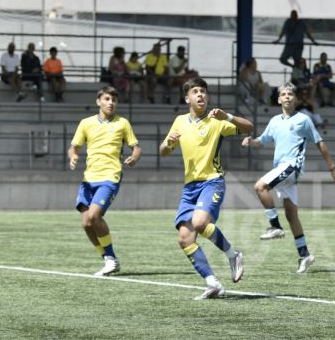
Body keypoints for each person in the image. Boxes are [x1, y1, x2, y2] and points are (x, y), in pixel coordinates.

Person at [159, 77, 252, 299]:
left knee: (200, 223)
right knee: (184, 238)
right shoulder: (180, 121)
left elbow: (249, 127)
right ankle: (213, 282)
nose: (200, 95)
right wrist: (169, 143)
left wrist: (227, 116)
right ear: (187, 98)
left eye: (203, 91)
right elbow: (163, 151)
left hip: (213, 181)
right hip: (190, 186)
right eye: (195, 92)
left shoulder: (216, 120)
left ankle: (233, 254)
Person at [243, 83, 335, 273]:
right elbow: (261, 141)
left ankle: (274, 226)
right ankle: (305, 255)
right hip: (282, 169)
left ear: (295, 99)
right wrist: (251, 141)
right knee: (292, 215)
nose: (287, 96)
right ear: (279, 99)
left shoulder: (303, 120)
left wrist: (332, 167)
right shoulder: (274, 121)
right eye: (284, 94)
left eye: (291, 93)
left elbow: (320, 142)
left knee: (260, 186)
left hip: (292, 166)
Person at [68, 86, 142, 277]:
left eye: (114, 100)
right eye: (107, 99)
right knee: (86, 223)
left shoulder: (123, 123)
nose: (111, 103)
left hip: (110, 176)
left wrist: (134, 158)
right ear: (98, 101)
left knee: (94, 216)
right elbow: (73, 147)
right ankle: (108, 259)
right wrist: (73, 156)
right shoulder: (86, 123)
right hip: (88, 178)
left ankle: (111, 258)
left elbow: (136, 148)